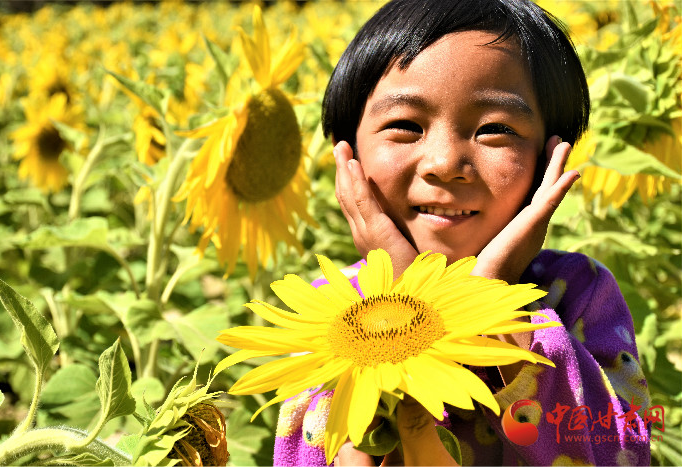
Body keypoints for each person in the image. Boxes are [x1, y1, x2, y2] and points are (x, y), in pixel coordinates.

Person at [274, 0, 652, 465]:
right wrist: (405, 305)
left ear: (549, 159)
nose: (445, 164)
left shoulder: (578, 292)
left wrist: (491, 307)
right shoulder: (330, 312)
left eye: (495, 129)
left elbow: (622, 451)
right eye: (405, 126)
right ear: (348, 158)